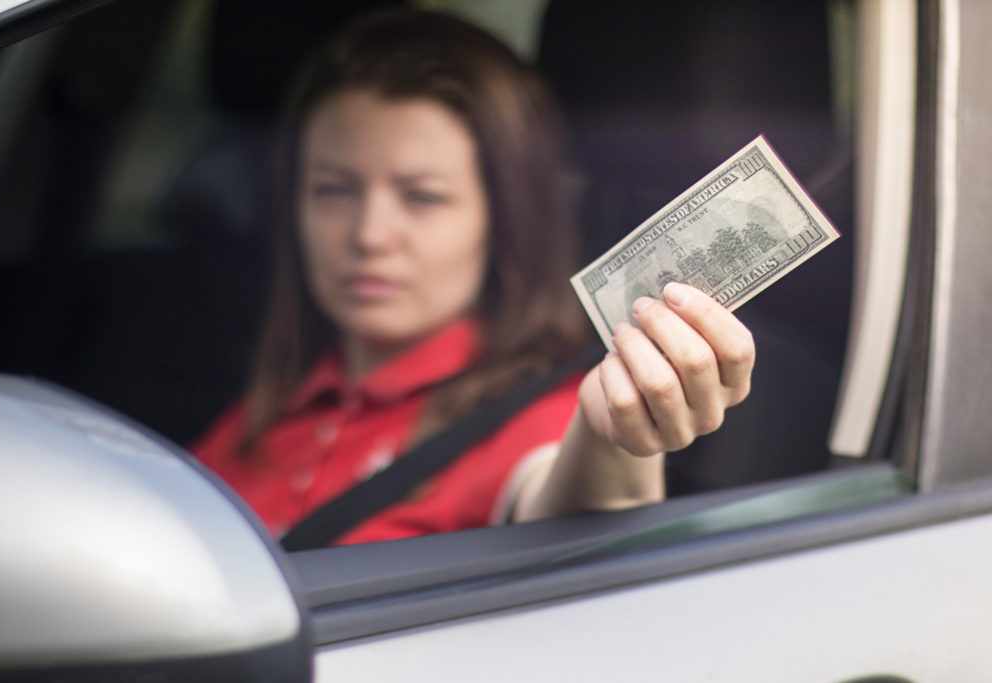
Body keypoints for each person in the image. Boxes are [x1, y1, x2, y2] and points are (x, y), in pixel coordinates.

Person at [191, 9, 755, 546]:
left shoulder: (534, 418)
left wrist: (616, 442)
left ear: (504, 219)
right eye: (334, 190)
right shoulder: (268, 408)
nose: (369, 234)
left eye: (423, 197)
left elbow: (571, 506)